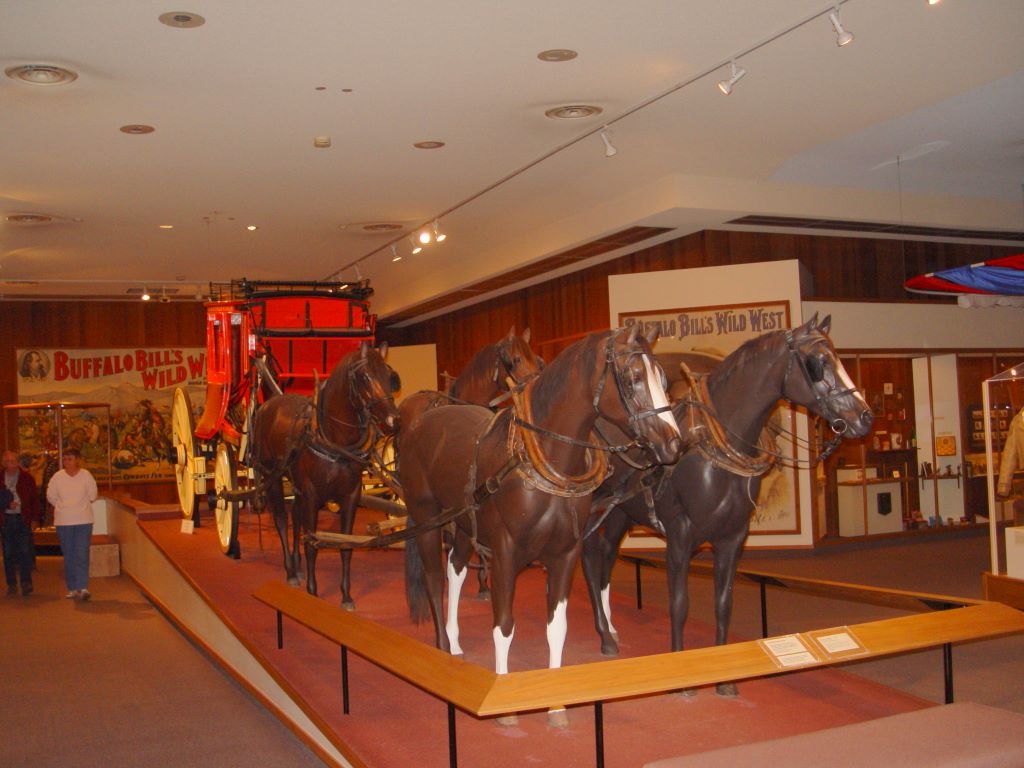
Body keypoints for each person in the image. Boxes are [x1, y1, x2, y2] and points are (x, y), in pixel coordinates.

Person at [46, 448, 98, 601]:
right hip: (64, 521)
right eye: (65, 459)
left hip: (83, 520)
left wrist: (80, 505)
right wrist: (63, 508)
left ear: (77, 460)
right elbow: (51, 496)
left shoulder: (86, 475)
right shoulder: (57, 477)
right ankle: (72, 587)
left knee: (82, 553)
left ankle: (83, 587)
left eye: (70, 458)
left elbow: (93, 495)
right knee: (69, 554)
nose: (67, 461)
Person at [2, 450, 40, 596]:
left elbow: (34, 500)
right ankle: (11, 583)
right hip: (6, 519)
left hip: (22, 518)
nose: (11, 465)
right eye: (8, 462)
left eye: (13, 461)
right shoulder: (0, 478)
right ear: (3, 463)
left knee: (25, 551)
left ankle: (26, 582)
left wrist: (35, 519)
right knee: (8, 552)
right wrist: (6, 504)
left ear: (18, 462)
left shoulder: (27, 478)